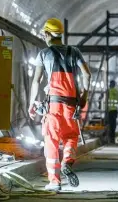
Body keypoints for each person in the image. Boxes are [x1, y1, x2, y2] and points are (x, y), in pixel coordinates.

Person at [28, 18, 91, 191]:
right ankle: (67, 161)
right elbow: (87, 74)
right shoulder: (74, 52)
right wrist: (84, 96)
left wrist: (31, 104)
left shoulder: (43, 54)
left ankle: (54, 181)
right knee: (71, 136)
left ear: (47, 34)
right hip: (71, 106)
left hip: (53, 107)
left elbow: (36, 81)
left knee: (51, 142)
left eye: (44, 34)